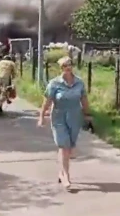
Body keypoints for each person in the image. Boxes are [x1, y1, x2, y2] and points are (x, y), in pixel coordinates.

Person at [37, 56, 92, 191]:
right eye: (64, 66)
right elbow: (47, 100)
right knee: (64, 145)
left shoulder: (79, 82)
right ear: (60, 68)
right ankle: (66, 175)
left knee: (70, 147)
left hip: (74, 116)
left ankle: (61, 173)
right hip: (59, 116)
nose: (67, 67)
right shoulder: (54, 83)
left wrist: (87, 115)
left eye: (69, 65)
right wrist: (42, 116)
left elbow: (83, 99)